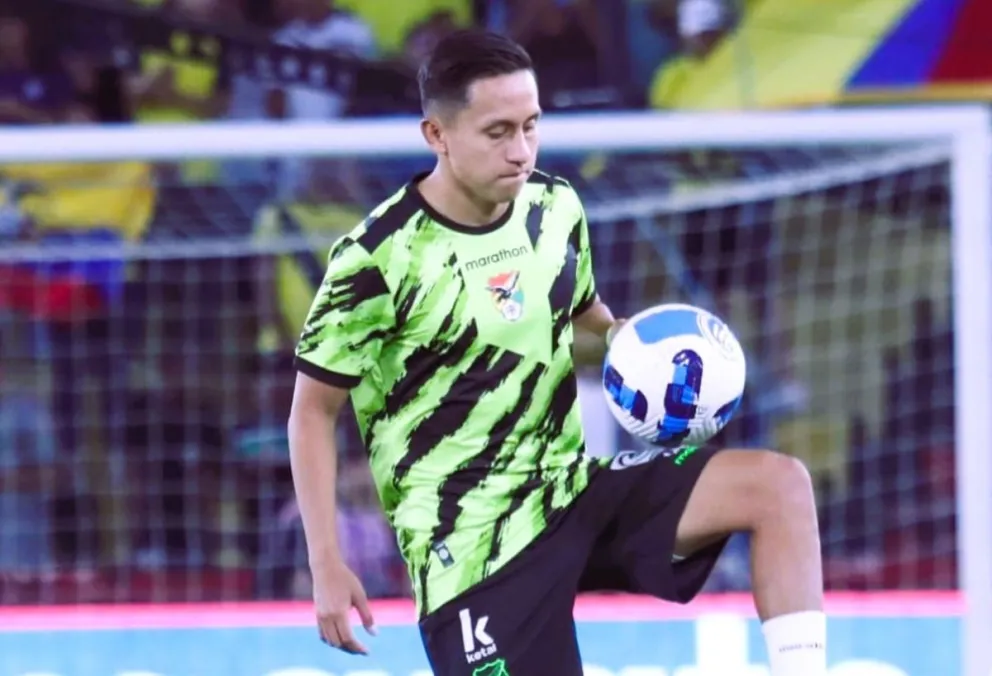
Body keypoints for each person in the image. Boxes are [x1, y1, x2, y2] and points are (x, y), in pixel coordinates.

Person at [288, 29, 826, 676]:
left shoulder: (553, 205)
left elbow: (580, 319)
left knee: (778, 488)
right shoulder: (378, 257)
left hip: (572, 484)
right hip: (475, 543)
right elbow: (312, 413)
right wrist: (327, 560)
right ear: (437, 135)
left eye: (531, 126)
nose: (521, 151)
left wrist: (631, 345)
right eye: (497, 132)